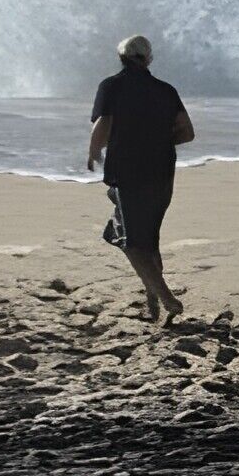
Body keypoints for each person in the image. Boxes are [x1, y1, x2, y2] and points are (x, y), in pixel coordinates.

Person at [89, 34, 197, 324]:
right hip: (163, 171)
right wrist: (157, 142)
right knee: (148, 237)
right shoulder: (166, 91)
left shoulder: (111, 86)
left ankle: (166, 298)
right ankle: (153, 298)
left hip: (128, 172)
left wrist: (93, 153)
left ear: (121, 58)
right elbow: (187, 132)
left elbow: (104, 125)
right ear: (149, 58)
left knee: (130, 241)